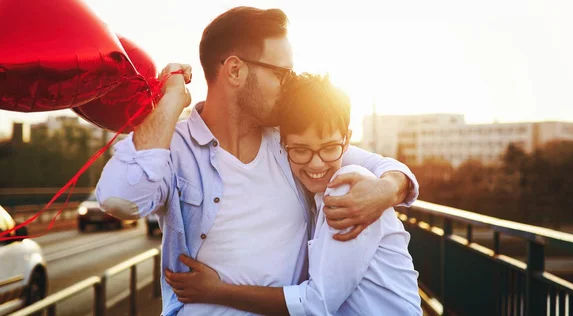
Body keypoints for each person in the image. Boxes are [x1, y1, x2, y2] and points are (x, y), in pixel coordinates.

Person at [96, 7, 419, 316]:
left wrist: (385, 192)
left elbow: (386, 169)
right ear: (235, 70)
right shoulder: (175, 147)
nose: (289, 84)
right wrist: (171, 101)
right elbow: (120, 201)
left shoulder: (294, 143)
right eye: (282, 74)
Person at [164, 73, 423, 315]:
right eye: (300, 150)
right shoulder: (320, 175)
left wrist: (217, 291)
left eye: (329, 148)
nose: (317, 164)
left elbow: (316, 304)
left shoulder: (348, 190)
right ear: (282, 144)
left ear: (348, 141)